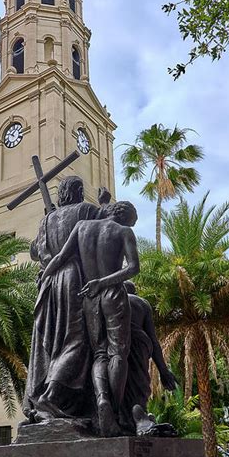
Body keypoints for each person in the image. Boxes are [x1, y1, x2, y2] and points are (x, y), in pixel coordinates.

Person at [42, 201, 139, 436]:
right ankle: (113, 414)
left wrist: (45, 278)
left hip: (89, 297)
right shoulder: (123, 232)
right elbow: (133, 268)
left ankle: (101, 399)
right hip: (112, 293)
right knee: (117, 353)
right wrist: (104, 282)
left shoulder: (82, 226)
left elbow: (61, 257)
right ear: (126, 218)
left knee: (99, 353)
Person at [23, 177, 109, 420]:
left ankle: (56, 398)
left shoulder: (46, 220)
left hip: (49, 284)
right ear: (79, 192)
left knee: (53, 342)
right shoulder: (86, 210)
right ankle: (51, 395)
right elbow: (108, 227)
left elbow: (34, 251)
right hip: (74, 278)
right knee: (77, 340)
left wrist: (49, 223)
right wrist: (104, 202)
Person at [121, 281, 177, 434]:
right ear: (135, 291)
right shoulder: (142, 303)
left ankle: (131, 419)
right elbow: (153, 339)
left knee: (122, 382)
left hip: (117, 343)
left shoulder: (111, 298)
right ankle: (138, 417)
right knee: (139, 383)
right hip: (140, 344)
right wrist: (163, 371)